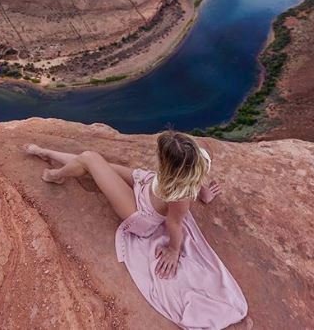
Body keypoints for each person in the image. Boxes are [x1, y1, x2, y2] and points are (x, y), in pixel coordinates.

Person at [24, 130, 248, 330]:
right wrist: (204, 193)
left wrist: (173, 249)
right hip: (146, 183)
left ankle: (55, 174)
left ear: (168, 164)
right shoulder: (193, 161)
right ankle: (48, 154)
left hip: (140, 211)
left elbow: (175, 223)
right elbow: (194, 173)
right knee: (92, 162)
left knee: (91, 159)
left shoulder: (180, 194)